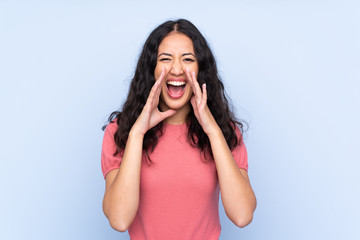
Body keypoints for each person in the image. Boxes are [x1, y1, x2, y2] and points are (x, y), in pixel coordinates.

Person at [101, 19, 256, 240]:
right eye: (165, 59)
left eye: (187, 59)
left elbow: (242, 215)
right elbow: (119, 219)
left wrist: (212, 130)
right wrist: (137, 134)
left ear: (200, 69)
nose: (176, 69)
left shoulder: (224, 132)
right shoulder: (120, 132)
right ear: (151, 69)